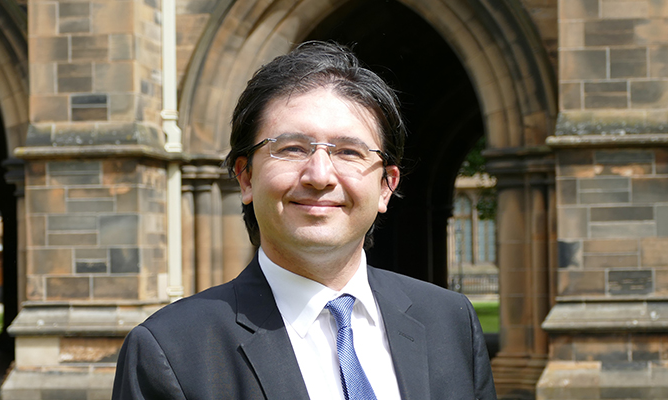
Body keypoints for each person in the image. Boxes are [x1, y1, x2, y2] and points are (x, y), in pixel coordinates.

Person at [112, 41, 497, 400]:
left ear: (385, 187)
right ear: (245, 178)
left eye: (348, 151)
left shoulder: (451, 322)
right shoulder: (170, 350)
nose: (320, 175)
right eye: (292, 148)